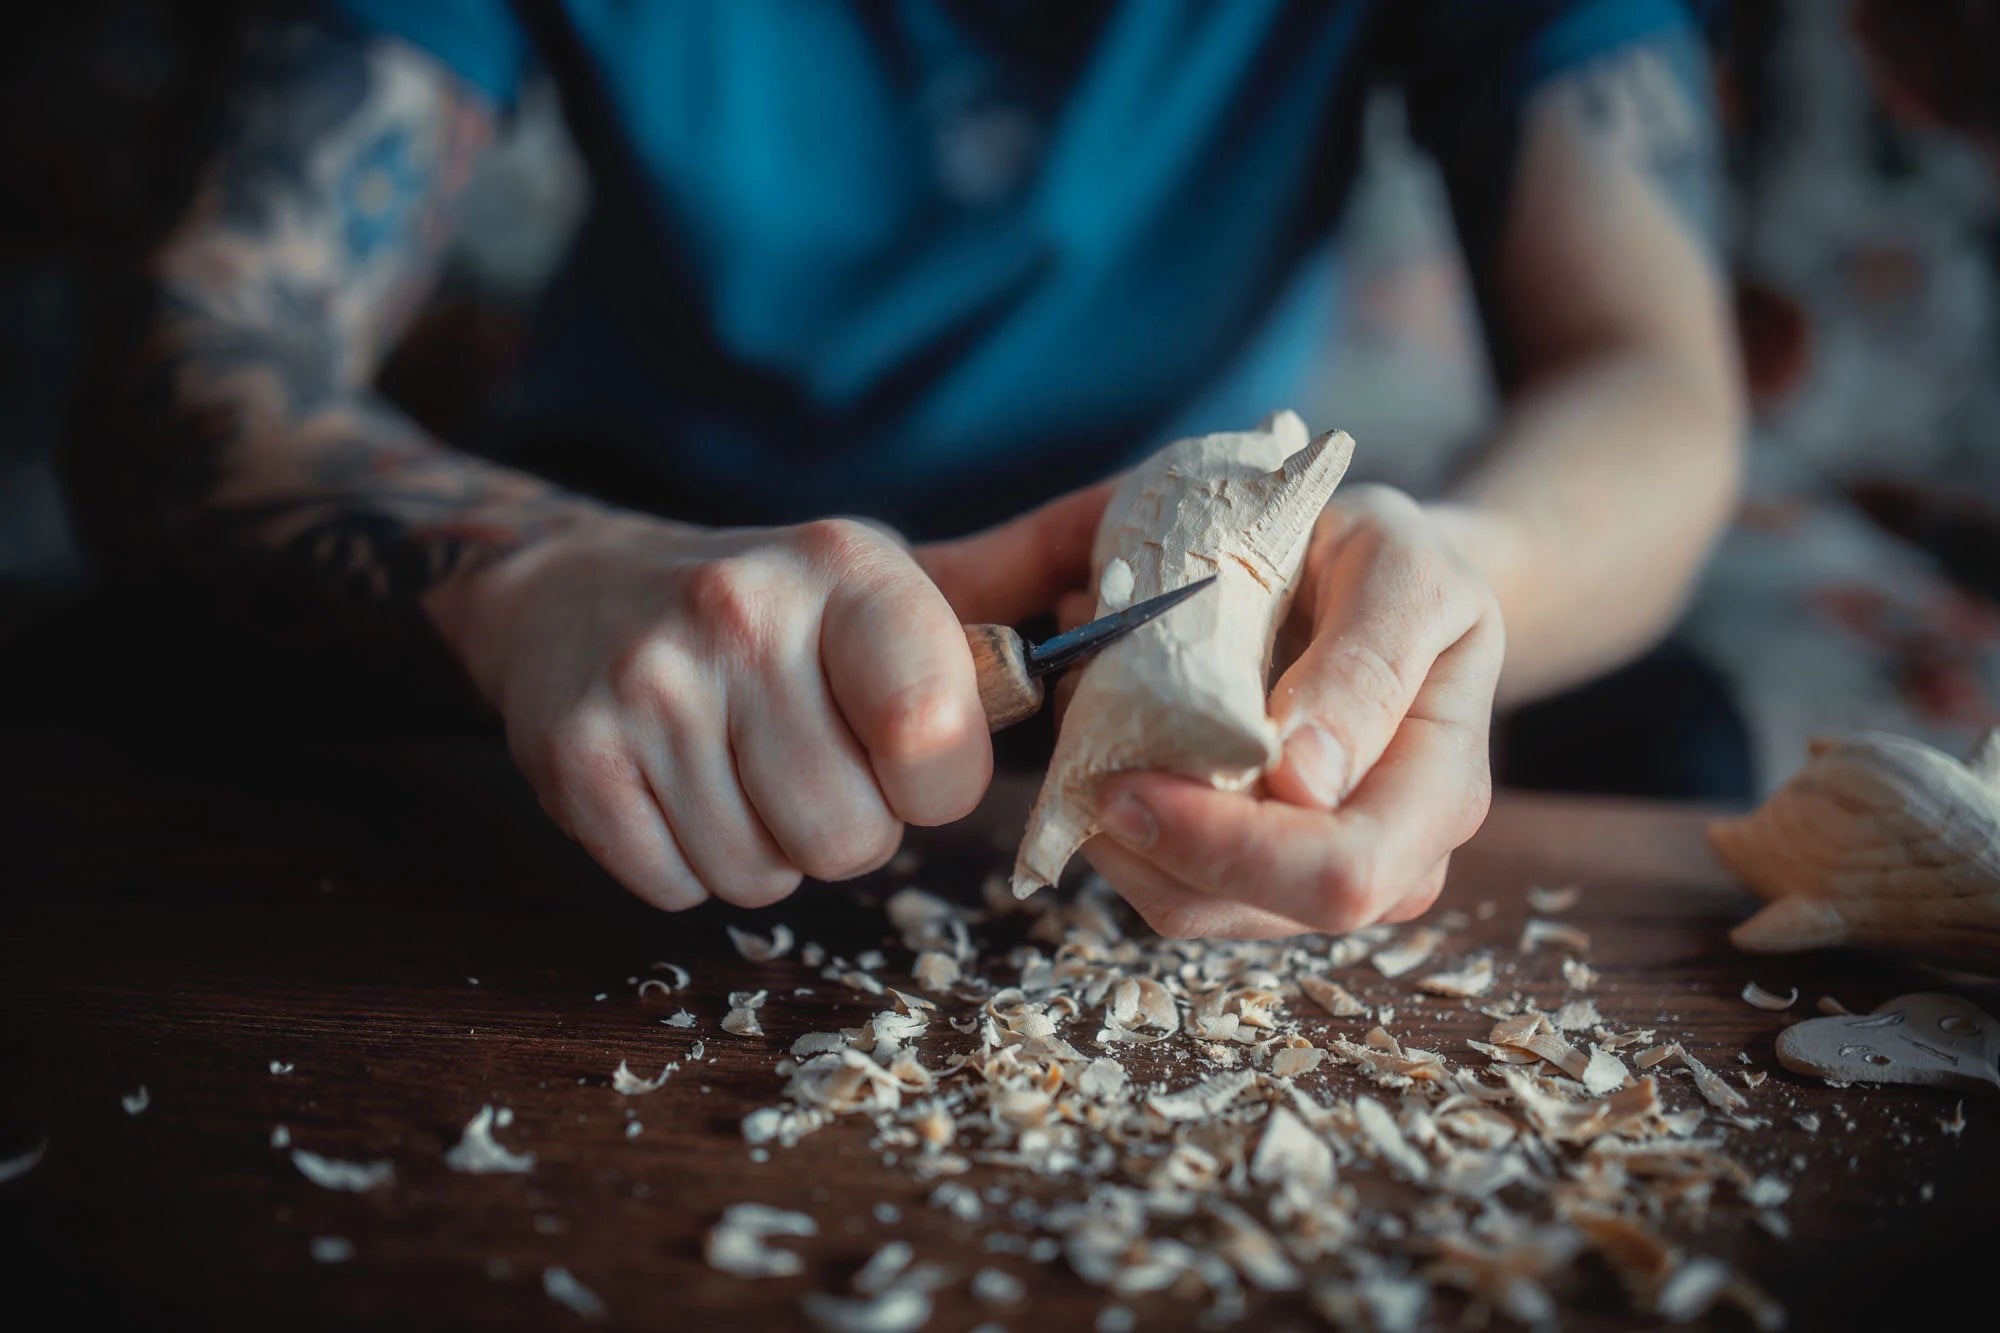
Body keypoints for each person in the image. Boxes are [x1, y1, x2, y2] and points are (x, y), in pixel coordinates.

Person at [67, 1, 1742, 940]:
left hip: (1208, 601)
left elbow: (1650, 374)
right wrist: (536, 580)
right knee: (139, 677)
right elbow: (191, 355)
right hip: (637, 572)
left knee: (1660, 732)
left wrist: (1457, 578)